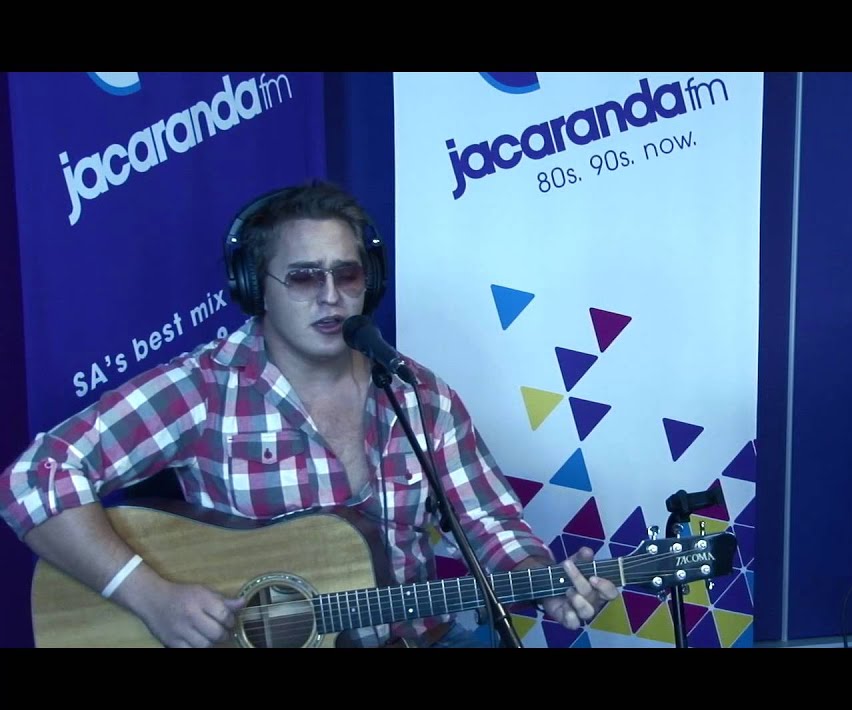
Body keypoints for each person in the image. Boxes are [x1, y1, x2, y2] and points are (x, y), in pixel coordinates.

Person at [0, 180, 618, 648]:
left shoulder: (416, 394)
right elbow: (33, 480)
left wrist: (542, 579)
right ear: (255, 288)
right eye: (303, 278)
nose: (331, 297)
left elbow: (488, 521)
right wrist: (149, 595)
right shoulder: (204, 389)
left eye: (347, 275)